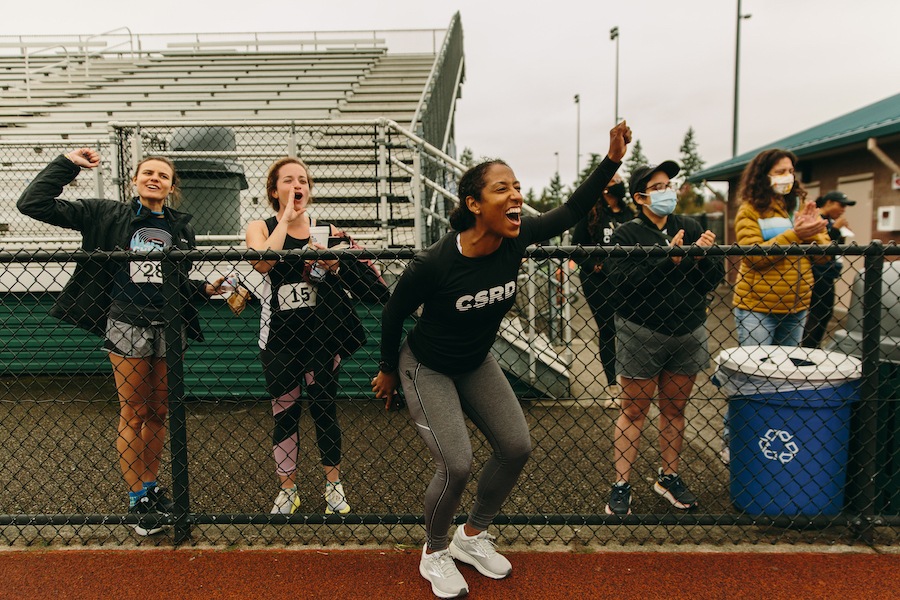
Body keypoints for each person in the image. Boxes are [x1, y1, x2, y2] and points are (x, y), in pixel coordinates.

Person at [372, 122, 631, 598]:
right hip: (425, 366)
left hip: (474, 362)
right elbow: (393, 313)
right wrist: (389, 370)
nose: (516, 196)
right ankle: (434, 551)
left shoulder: (517, 238)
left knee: (516, 447)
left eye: (517, 187)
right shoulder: (434, 264)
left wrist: (611, 159)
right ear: (474, 204)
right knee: (457, 464)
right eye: (502, 189)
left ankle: (471, 537)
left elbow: (573, 208)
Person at [17, 148, 225, 535]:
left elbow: (173, 281)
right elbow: (32, 203)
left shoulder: (181, 228)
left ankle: (150, 488)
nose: (155, 179)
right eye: (148, 172)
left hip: (169, 325)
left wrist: (203, 288)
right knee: (132, 411)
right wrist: (68, 163)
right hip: (126, 322)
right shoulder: (105, 214)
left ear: (172, 187)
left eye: (163, 175)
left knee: (159, 412)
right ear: (134, 180)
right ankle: (136, 502)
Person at [603, 161, 723, 516]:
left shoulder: (690, 226)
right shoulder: (627, 234)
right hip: (641, 332)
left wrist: (700, 258)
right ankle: (621, 484)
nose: (666, 190)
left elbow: (710, 280)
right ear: (640, 197)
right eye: (657, 187)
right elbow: (625, 284)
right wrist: (668, 260)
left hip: (687, 331)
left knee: (675, 411)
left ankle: (668, 476)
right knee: (634, 411)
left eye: (668, 184)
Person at [246, 157, 358, 516]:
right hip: (279, 339)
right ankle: (288, 489)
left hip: (321, 338)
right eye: (289, 181)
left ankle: (333, 486)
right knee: (285, 414)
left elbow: (355, 265)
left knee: (325, 411)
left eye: (303, 181)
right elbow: (263, 262)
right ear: (275, 190)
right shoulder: (259, 226)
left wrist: (334, 252)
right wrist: (287, 219)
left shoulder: (325, 229)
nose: (298, 186)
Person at [732, 149, 829, 346]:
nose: (788, 177)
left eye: (790, 171)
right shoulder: (749, 210)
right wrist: (796, 234)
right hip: (757, 307)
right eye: (780, 172)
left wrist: (813, 233)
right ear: (762, 176)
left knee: (785, 373)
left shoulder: (801, 206)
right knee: (756, 371)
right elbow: (754, 256)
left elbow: (824, 256)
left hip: (796, 307)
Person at [571, 172, 634, 407]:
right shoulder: (593, 213)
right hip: (597, 281)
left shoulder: (629, 214)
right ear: (604, 189)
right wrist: (593, 265)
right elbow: (576, 248)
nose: (619, 185)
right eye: (613, 181)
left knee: (629, 328)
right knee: (608, 329)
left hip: (625, 279)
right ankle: (613, 387)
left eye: (619, 181)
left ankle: (630, 383)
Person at [801, 191, 856, 348]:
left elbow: (835, 248)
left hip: (829, 272)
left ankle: (812, 346)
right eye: (841, 205)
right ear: (829, 202)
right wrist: (835, 230)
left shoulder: (832, 221)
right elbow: (820, 247)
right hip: (819, 272)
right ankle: (808, 348)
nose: (843, 209)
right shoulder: (817, 220)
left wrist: (842, 232)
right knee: (819, 313)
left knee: (824, 313)